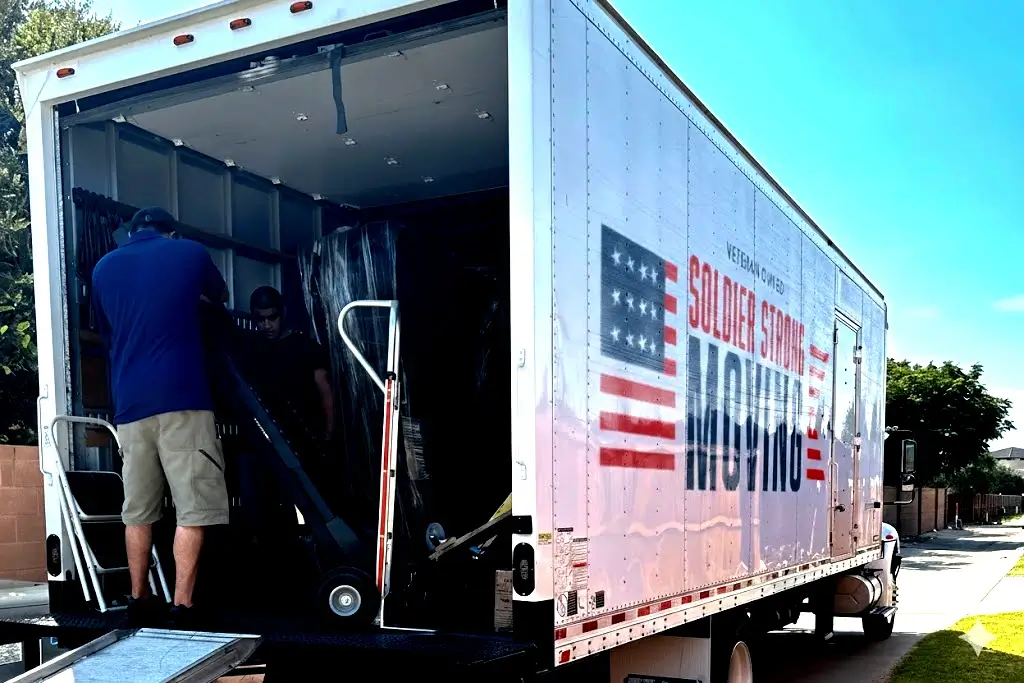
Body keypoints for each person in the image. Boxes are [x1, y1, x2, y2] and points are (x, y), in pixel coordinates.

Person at [91, 206, 230, 629]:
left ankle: (138, 598)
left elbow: (107, 332)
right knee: (193, 507)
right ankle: (183, 606)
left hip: (130, 406)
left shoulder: (103, 268)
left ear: (133, 232)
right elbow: (219, 297)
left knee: (137, 510)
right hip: (183, 397)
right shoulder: (189, 252)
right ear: (170, 233)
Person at [247, 286, 334, 441]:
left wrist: (329, 432)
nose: (267, 325)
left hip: (305, 434)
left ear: (283, 313)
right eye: (260, 319)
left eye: (273, 317)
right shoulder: (252, 348)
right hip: (267, 435)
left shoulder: (307, 347)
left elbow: (325, 392)